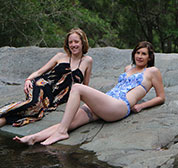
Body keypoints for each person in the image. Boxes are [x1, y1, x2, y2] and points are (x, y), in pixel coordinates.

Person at [13, 41, 165, 145]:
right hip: (106, 102)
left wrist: (142, 106)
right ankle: (33, 138)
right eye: (138, 52)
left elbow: (161, 97)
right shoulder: (128, 68)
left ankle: (61, 133)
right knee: (67, 122)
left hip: (119, 106)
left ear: (150, 57)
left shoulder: (152, 71)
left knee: (78, 88)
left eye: (144, 54)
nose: (139, 56)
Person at [0, 28, 93, 127]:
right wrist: (28, 79)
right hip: (42, 84)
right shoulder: (60, 56)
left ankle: (5, 119)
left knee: (36, 112)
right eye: (70, 42)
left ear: (82, 42)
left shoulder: (87, 61)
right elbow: (41, 71)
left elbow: (85, 86)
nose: (73, 45)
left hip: (55, 98)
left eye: (76, 41)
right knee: (34, 104)